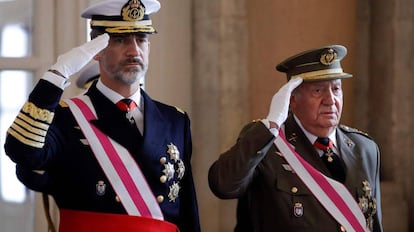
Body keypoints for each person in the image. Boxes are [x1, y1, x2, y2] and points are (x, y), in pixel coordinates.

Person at [4, 0, 200, 231]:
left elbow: (187, 211)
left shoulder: (174, 119)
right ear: (96, 51)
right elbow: (23, 152)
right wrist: (57, 75)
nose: (134, 50)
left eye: (141, 39)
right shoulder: (66, 118)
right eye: (120, 40)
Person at [208, 45, 383, 232]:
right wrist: (271, 125)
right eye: (318, 91)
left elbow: (373, 223)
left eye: (336, 89)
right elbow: (223, 185)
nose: (331, 100)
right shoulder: (266, 143)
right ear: (292, 99)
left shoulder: (364, 148)